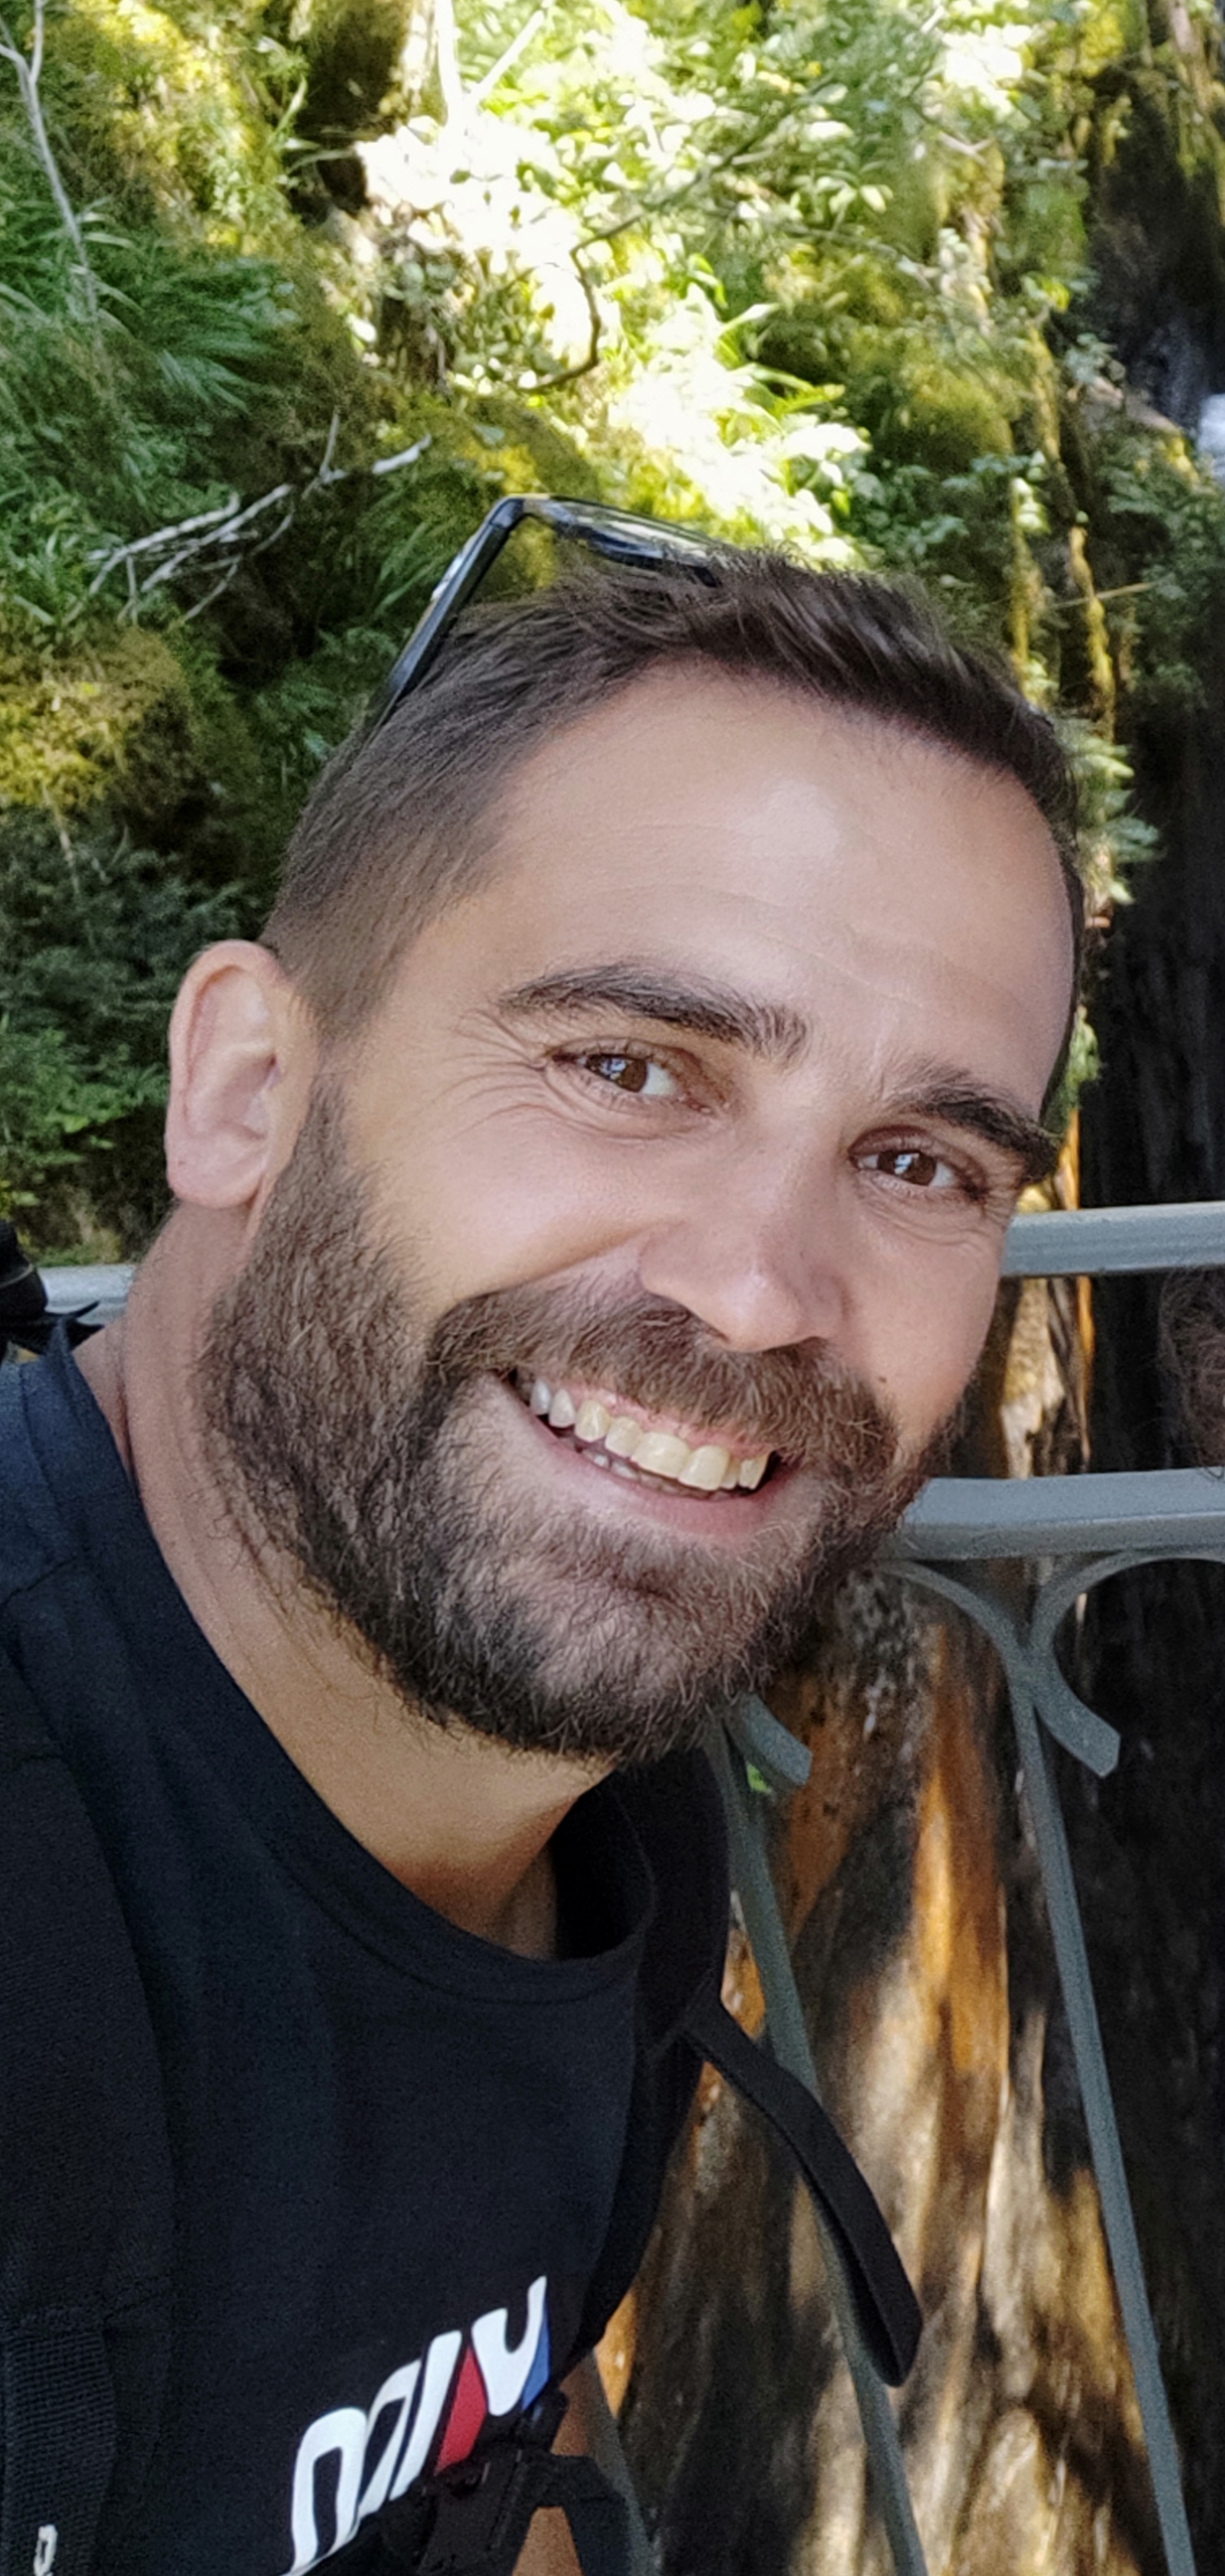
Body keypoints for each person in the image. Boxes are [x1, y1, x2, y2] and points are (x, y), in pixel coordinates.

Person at [0, 527, 1080, 2576]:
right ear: (247, 1087)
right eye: (629, 1067)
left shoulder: (606, 1831)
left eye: (917, 1160)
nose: (759, 1290)